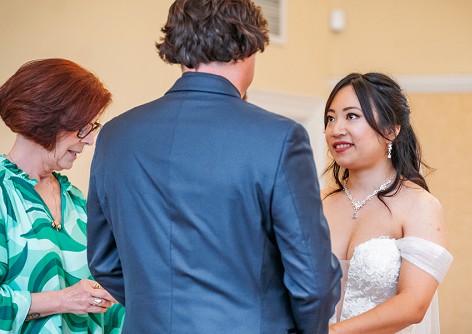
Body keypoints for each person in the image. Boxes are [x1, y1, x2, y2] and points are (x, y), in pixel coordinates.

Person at [86, 0, 342, 333]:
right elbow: (313, 283)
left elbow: (104, 263)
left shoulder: (116, 136)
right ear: (249, 47)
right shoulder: (279, 138)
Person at [321, 72, 453, 333]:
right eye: (330, 118)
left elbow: (413, 304)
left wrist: (332, 332)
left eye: (351, 116)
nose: (336, 130)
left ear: (391, 130)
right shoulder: (317, 201)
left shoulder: (419, 205)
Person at [0, 58, 124, 333]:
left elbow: (111, 312)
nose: (90, 139)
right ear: (45, 119)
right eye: (84, 127)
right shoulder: (2, 193)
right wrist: (62, 300)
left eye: (93, 127)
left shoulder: (77, 201)